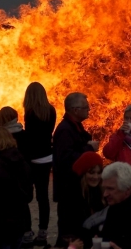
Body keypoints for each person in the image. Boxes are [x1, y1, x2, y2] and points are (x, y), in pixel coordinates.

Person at [53, 92, 98, 248]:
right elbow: (65, 160)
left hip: (76, 190)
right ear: (74, 109)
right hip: (69, 192)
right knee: (69, 234)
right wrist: (88, 148)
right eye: (86, 107)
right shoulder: (65, 130)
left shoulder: (74, 127)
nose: (89, 110)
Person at [23, 82, 57, 247]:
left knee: (25, 195)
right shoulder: (51, 110)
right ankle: (43, 233)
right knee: (43, 197)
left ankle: (27, 232)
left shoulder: (30, 113)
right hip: (47, 157)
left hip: (33, 158)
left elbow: (30, 137)